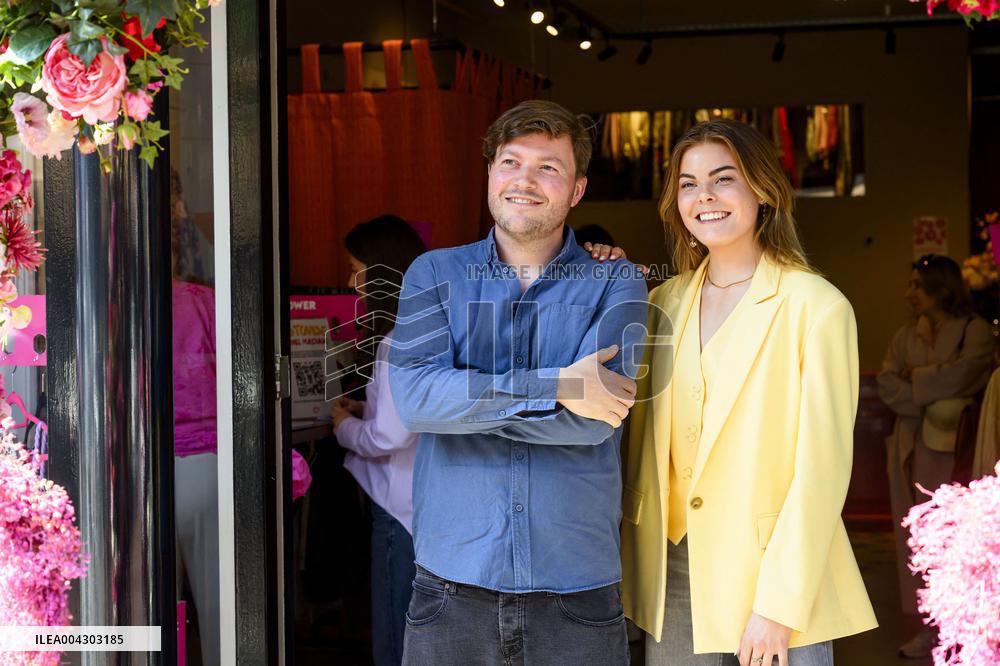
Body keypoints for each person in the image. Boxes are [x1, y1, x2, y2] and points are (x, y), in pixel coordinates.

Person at [387, 100, 648, 665]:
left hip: (575, 589)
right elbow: (414, 403)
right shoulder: (434, 274)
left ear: (577, 189)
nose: (524, 181)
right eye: (511, 162)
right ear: (489, 173)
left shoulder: (616, 280)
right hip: (451, 584)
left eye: (548, 168)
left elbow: (593, 424)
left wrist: (466, 405)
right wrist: (557, 383)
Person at [611, 119, 877, 666]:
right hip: (673, 567)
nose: (703, 196)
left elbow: (822, 470)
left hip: (774, 574)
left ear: (762, 190)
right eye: (688, 183)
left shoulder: (816, 306)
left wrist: (778, 605)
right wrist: (596, 275)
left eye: (722, 178)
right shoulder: (660, 302)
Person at [876, 254, 993, 659]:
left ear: (939, 288)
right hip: (911, 445)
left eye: (916, 286)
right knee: (917, 541)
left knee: (959, 539)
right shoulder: (908, 334)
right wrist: (930, 395)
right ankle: (928, 628)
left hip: (955, 450)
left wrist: (920, 378)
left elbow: (969, 373)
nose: (909, 295)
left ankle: (967, 631)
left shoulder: (974, 331)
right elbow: (888, 382)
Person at [329, 215, 425, 666]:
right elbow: (413, 415)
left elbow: (389, 434)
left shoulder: (395, 342)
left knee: (394, 640)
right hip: (426, 509)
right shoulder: (431, 329)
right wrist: (364, 411)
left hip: (398, 512)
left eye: (356, 268)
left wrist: (343, 427)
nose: (351, 281)